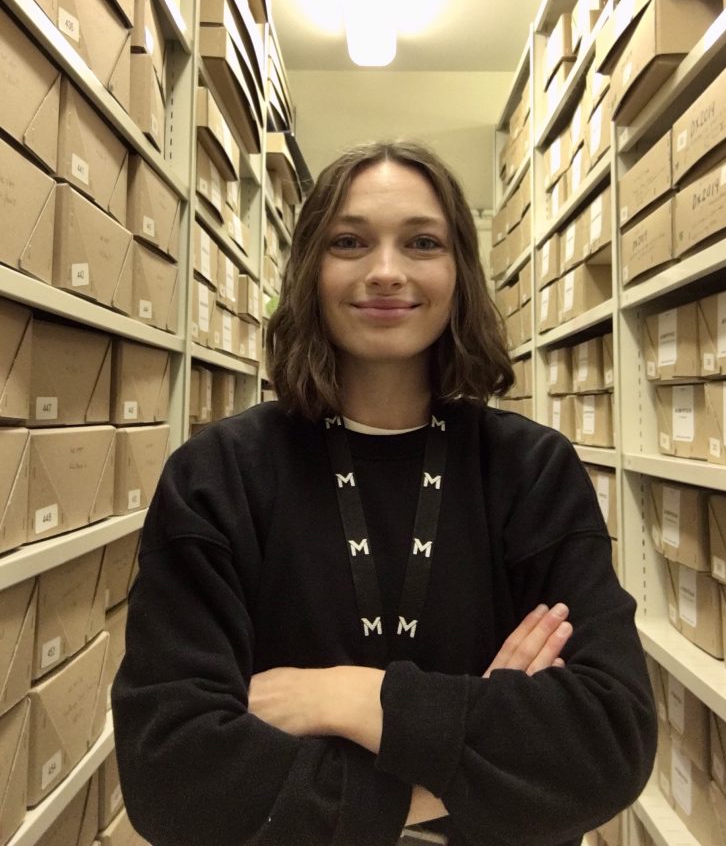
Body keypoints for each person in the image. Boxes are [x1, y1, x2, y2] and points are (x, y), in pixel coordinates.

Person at [112, 140, 657, 846]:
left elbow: (607, 743)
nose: (387, 271)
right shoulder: (218, 476)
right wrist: (471, 747)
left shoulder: (532, 472)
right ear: (311, 268)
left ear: (459, 270)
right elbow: (176, 781)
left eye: (422, 242)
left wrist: (350, 697)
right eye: (350, 242)